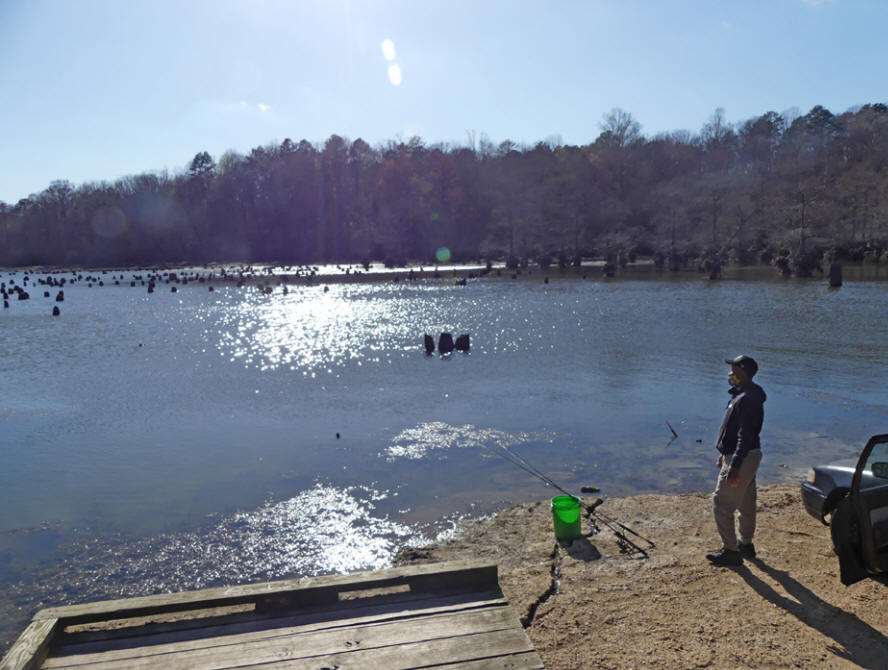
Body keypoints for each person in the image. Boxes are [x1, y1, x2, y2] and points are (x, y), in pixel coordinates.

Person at [706, 354, 766, 566]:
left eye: (733, 368)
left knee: (721, 503)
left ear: (743, 371)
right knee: (746, 502)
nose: (729, 373)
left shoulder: (748, 398)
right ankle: (745, 544)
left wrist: (735, 465)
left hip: (743, 456)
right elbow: (735, 431)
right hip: (746, 455)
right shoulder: (743, 394)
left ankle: (731, 551)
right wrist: (724, 454)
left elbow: (745, 435)